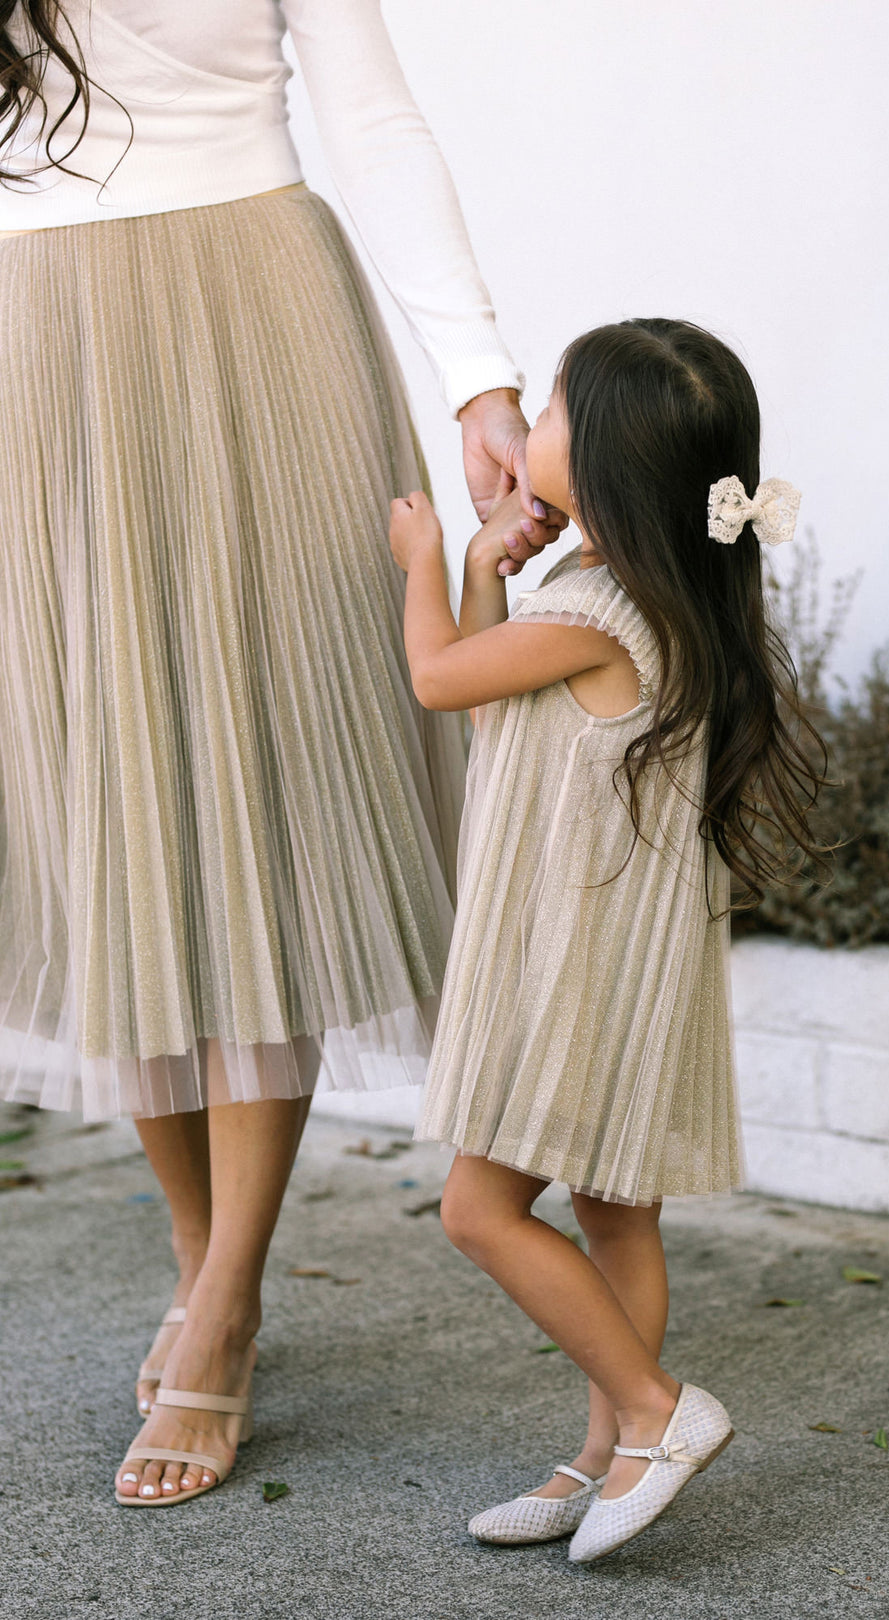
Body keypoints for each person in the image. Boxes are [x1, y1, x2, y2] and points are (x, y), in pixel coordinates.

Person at [0, 0, 562, 1508]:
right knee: (112, 804)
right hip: (42, 340)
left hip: (261, 314)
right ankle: (197, 1259)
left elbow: (372, 118)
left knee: (271, 798)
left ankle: (230, 1290)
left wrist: (479, 375)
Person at [387, 317, 826, 1562]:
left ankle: (657, 1412)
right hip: (630, 960)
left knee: (478, 1211)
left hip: (567, 965)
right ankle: (604, 1460)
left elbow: (435, 681)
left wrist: (425, 555)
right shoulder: (654, 600)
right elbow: (490, 711)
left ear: (616, 464)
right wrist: (488, 562)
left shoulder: (593, 613)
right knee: (616, 1216)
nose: (532, 430)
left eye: (556, 411)